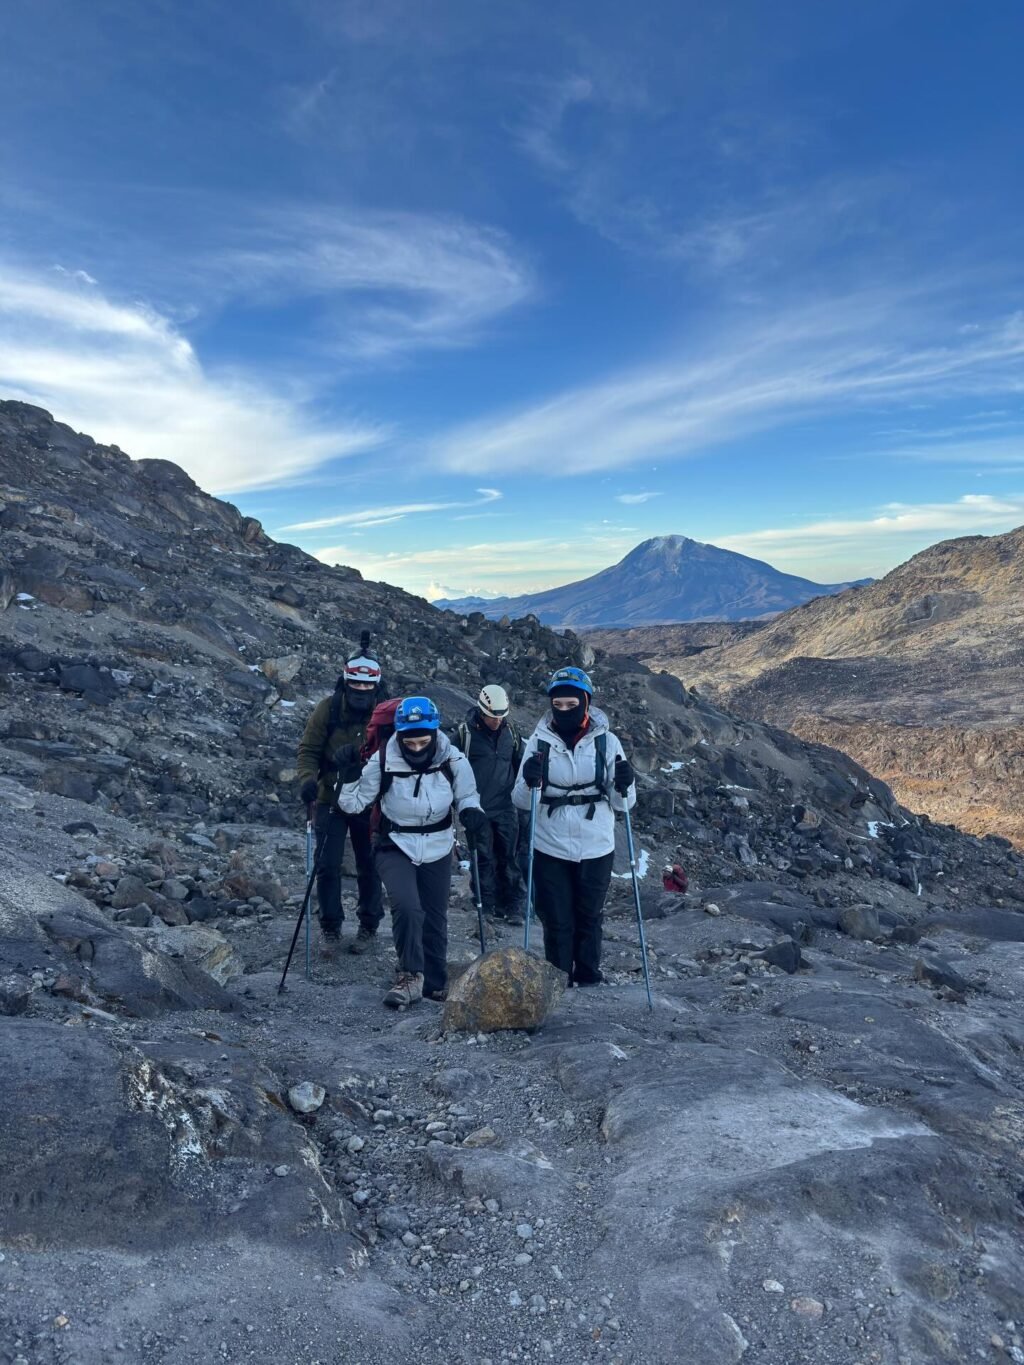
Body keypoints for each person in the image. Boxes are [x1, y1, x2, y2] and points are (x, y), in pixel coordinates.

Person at [337, 696, 488, 1008]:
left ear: (434, 734)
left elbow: (468, 794)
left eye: (423, 742)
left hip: (438, 844)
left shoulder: (452, 760)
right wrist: (349, 776)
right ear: (399, 736)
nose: (416, 748)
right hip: (394, 844)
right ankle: (409, 976)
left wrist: (472, 811)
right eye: (410, 742)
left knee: (434, 916)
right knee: (407, 907)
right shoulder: (382, 760)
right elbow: (351, 804)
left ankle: (433, 983)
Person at [512, 666, 636, 987]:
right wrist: (529, 780)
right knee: (556, 917)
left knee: (589, 914)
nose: (564, 710)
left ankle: (589, 974)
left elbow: (624, 804)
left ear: (585, 702)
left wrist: (625, 784)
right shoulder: (538, 741)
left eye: (571, 704)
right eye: (558, 704)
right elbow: (523, 801)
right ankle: (558, 978)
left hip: (595, 845)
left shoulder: (607, 742)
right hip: (550, 844)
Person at [296, 649, 387, 956]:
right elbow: (309, 749)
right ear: (347, 681)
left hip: (368, 796)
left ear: (375, 685)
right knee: (327, 863)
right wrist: (307, 779)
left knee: (369, 863)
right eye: (356, 684)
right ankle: (330, 928)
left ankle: (369, 926)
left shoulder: (385, 713)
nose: (362, 690)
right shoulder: (328, 709)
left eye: (367, 685)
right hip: (330, 795)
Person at [452, 684, 526, 925]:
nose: (497, 721)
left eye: (501, 716)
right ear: (482, 711)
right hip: (477, 807)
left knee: (509, 856)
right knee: (483, 857)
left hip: (506, 806)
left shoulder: (511, 732)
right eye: (493, 717)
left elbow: (520, 763)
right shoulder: (465, 735)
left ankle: (513, 906)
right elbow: (450, 767)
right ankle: (486, 905)